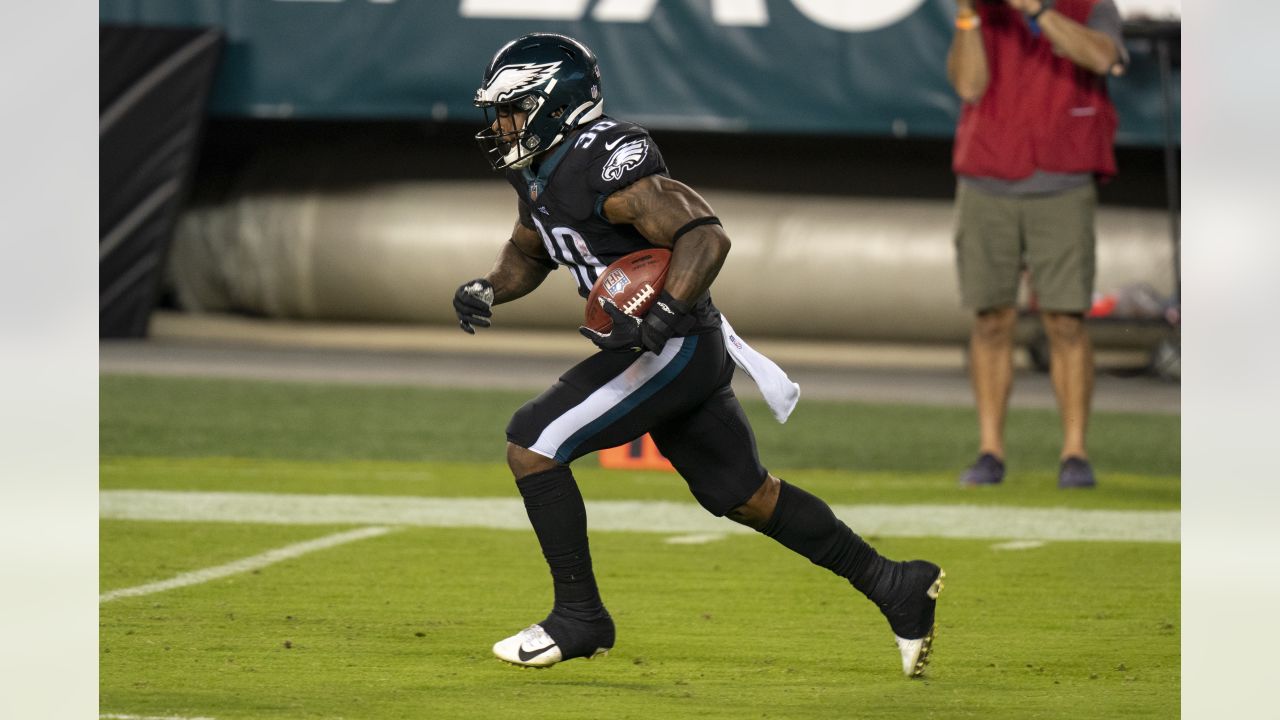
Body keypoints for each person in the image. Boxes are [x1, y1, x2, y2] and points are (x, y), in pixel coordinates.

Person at [452, 32, 944, 677]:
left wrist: (660, 315)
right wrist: (491, 286)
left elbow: (705, 237)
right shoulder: (537, 169)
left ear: (554, 103)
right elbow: (530, 247)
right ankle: (895, 584)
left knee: (533, 443)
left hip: (673, 345)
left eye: (513, 108)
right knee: (743, 494)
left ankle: (579, 615)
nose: (504, 123)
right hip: (678, 346)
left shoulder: (605, 158)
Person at [947, 0, 1128, 489]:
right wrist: (968, 17)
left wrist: (1039, 10)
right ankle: (990, 450)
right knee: (990, 317)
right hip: (986, 173)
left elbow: (1104, 57)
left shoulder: (1090, 3)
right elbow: (968, 85)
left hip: (1063, 175)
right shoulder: (981, 10)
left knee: (1066, 319)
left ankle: (1074, 452)